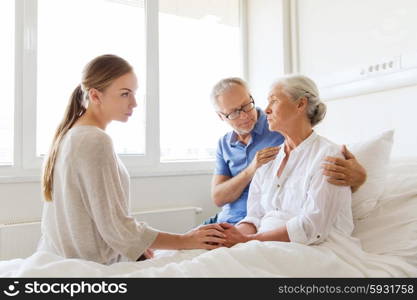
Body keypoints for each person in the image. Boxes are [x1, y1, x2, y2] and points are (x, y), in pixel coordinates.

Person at [38, 54, 226, 265]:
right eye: (125, 94)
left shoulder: (71, 135)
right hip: (91, 266)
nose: (135, 103)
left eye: (134, 93)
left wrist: (140, 245)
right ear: (95, 95)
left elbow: (103, 222)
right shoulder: (94, 140)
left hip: (61, 261)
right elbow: (116, 227)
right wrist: (185, 240)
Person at [206, 77, 367, 225]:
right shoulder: (224, 143)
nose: (244, 116)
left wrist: (359, 178)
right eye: (234, 112)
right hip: (225, 220)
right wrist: (251, 170)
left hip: (255, 222)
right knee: (185, 245)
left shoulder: (280, 126)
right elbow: (218, 198)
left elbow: (313, 153)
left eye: (247, 105)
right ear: (221, 116)